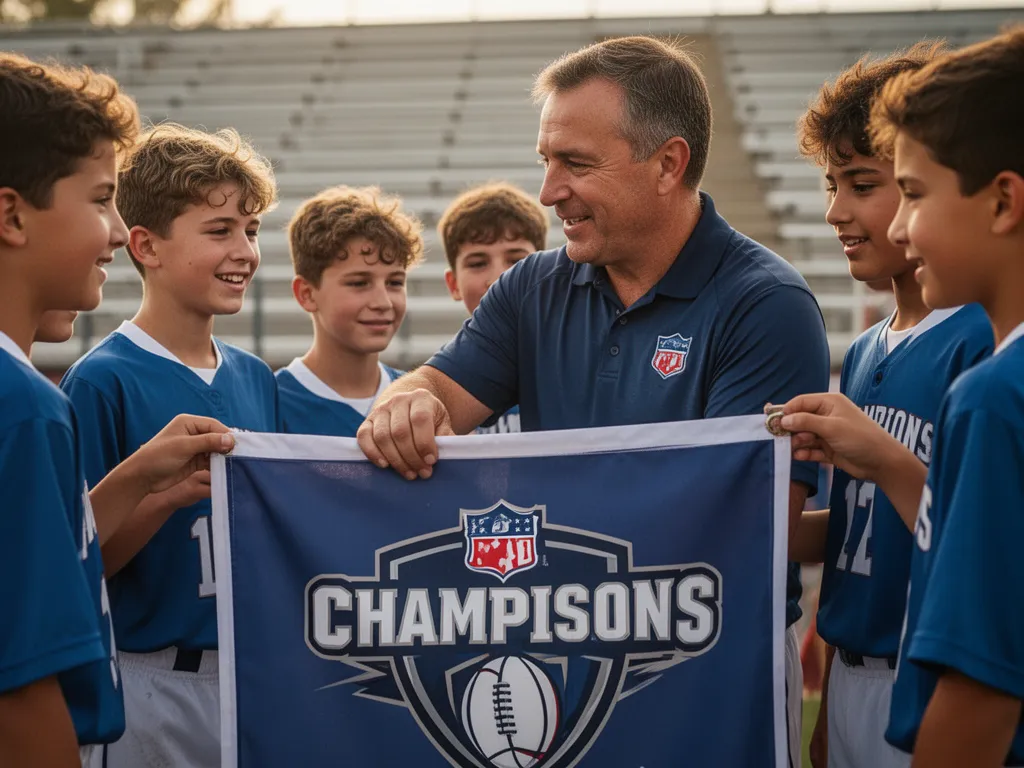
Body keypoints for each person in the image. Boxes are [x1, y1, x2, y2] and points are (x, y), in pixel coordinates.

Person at [358, 35, 830, 766]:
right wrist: (408, 403)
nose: (547, 192)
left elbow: (744, 520)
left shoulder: (765, 305)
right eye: (546, 160)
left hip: (703, 675)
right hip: (563, 658)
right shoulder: (532, 286)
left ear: (668, 163)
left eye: (575, 164)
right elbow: (438, 389)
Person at [782, 26, 1024, 766]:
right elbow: (870, 533)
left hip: (941, 674)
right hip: (859, 666)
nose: (837, 212)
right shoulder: (866, 349)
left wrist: (885, 460)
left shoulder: (983, 346)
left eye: (868, 184)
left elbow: (973, 542)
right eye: (831, 186)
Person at [0, 53, 234, 767]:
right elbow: (21, 686)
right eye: (101, 199)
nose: (112, 232)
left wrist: (137, 480)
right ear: (12, 214)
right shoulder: (26, 405)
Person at [59, 123, 279, 767]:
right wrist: (160, 497)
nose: (244, 250)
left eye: (252, 230)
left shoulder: (255, 377)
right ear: (147, 245)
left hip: (247, 674)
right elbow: (83, 563)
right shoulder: (102, 379)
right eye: (219, 231)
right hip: (149, 682)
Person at [276, 186, 421, 436]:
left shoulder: (416, 403)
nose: (383, 302)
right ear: (307, 294)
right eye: (359, 283)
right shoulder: (270, 403)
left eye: (395, 282)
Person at [438, 181, 549, 434]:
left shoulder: (574, 366)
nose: (500, 277)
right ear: (453, 284)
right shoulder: (443, 384)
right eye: (478, 263)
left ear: (545, 271)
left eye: (516, 260)